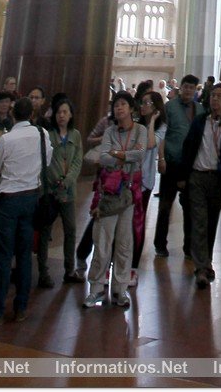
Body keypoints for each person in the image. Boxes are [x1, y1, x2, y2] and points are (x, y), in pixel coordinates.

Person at [0, 95, 45, 325]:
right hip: (31, 198)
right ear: (31, 115)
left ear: (13, 115)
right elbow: (46, 160)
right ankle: (20, 307)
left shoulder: (7, 139)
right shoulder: (41, 134)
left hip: (9, 200)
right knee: (25, 256)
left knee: (4, 256)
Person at [83, 92, 145, 310]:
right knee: (102, 242)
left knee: (124, 243)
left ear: (131, 108)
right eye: (116, 105)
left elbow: (139, 156)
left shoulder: (140, 130)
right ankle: (96, 288)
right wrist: (123, 155)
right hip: (109, 192)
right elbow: (104, 158)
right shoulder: (109, 131)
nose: (119, 109)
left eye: (123, 105)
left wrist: (116, 154)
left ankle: (120, 289)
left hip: (128, 194)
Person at [179, 81, 221, 289]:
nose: (215, 99)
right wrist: (183, 176)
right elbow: (188, 148)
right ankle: (201, 268)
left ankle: (207, 261)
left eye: (219, 96)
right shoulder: (199, 122)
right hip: (197, 176)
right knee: (199, 221)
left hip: (217, 179)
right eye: (212, 95)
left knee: (212, 222)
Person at [37, 96, 83, 288]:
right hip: (50, 191)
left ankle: (69, 269)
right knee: (45, 231)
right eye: (58, 112)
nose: (62, 116)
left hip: (68, 191)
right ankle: (43, 272)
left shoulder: (76, 135)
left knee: (71, 230)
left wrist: (68, 180)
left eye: (65, 112)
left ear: (70, 114)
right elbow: (46, 161)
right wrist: (56, 179)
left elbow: (77, 161)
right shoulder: (48, 135)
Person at [153, 74, 201, 258]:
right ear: (180, 87)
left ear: (195, 89)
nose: (188, 90)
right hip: (172, 163)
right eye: (186, 86)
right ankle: (160, 244)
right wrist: (162, 158)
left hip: (190, 166)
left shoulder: (200, 109)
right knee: (165, 205)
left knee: (190, 207)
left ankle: (189, 247)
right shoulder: (169, 108)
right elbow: (162, 134)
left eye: (192, 87)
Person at [132, 90, 165, 277]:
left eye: (147, 103)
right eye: (142, 103)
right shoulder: (134, 124)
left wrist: (152, 122)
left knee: (139, 221)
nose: (143, 106)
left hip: (145, 181)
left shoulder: (161, 127)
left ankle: (134, 266)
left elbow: (151, 144)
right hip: (129, 178)